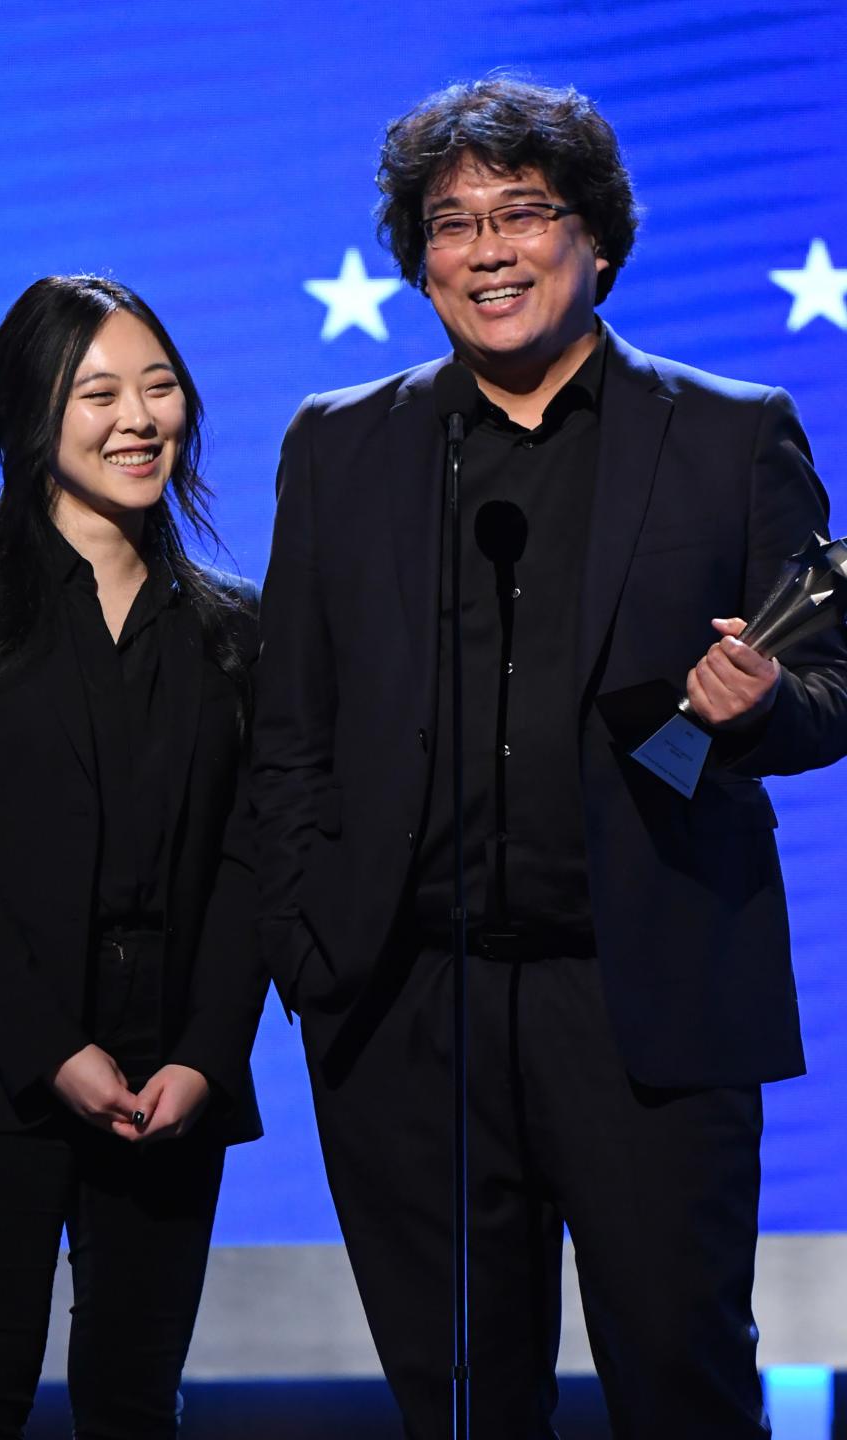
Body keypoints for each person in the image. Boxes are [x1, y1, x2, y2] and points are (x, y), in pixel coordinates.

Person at [251, 77, 847, 1440]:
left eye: (524, 212)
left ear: (599, 242)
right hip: (408, 1009)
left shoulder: (728, 432)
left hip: (642, 1000)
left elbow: (830, 686)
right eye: (452, 223)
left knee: (681, 1382)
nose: (489, 249)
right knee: (457, 1401)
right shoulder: (340, 444)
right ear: (419, 260)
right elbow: (291, 728)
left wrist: (757, 706)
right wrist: (311, 950)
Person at [0, 274, 267, 1439]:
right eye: (97, 391)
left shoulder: (232, 628)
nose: (138, 419)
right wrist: (55, 1051)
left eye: (159, 387)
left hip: (170, 1084)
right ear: (29, 413)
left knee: (135, 1405)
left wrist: (206, 1057)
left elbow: (253, 862)